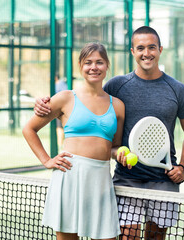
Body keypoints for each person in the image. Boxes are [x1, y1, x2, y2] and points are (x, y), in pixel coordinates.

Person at [34, 26, 184, 240]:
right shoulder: (116, 86)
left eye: (152, 47)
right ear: (132, 51)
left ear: (160, 49)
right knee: (128, 236)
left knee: (156, 237)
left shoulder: (178, 89)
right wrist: (43, 104)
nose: (147, 53)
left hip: (163, 180)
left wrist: (183, 166)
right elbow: (90, 101)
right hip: (126, 179)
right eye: (141, 48)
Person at [24, 42, 125, 240]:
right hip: (68, 176)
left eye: (99, 62)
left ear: (107, 65)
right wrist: (46, 160)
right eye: (88, 62)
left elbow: (113, 146)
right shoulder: (65, 98)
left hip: (101, 181)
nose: (93, 67)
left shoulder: (118, 106)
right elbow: (29, 129)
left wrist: (119, 153)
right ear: (80, 66)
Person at [55, 74, 68, 148]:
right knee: (58, 127)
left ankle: (61, 144)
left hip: (62, 109)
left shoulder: (61, 84)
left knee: (60, 127)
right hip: (56, 109)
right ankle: (59, 143)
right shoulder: (56, 85)